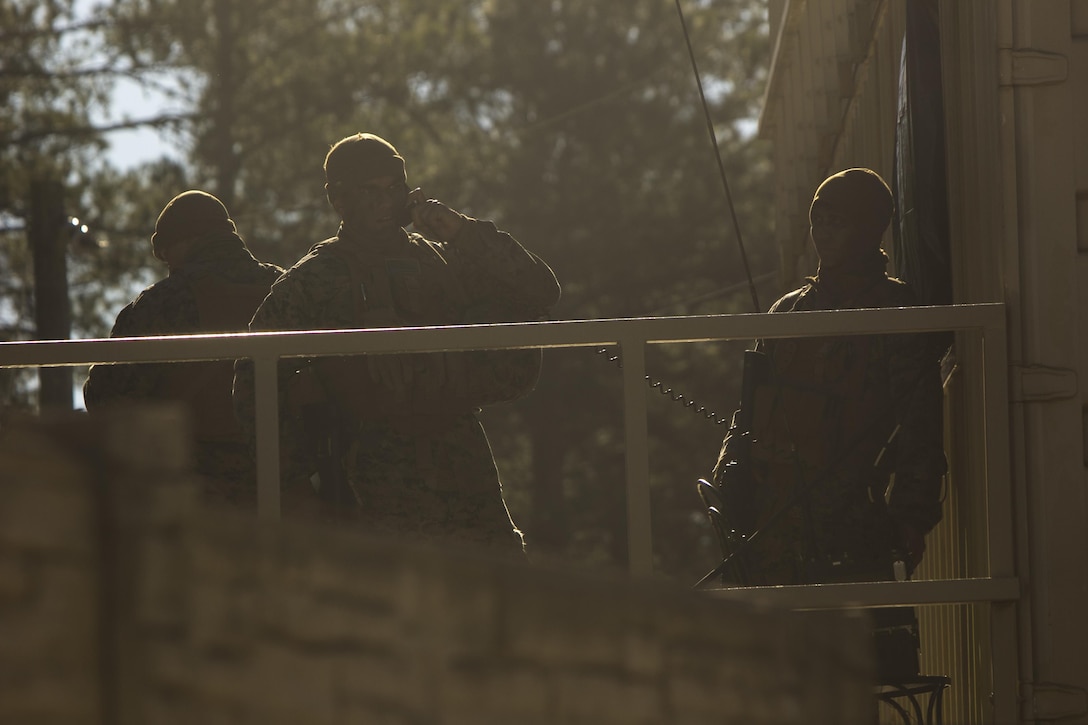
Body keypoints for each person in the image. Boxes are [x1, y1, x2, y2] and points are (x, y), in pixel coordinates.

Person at [236, 132, 560, 554]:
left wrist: (459, 231)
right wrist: (296, 482)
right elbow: (251, 376)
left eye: (394, 189)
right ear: (338, 199)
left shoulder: (438, 257)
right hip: (369, 476)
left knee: (498, 597)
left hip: (461, 464)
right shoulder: (315, 278)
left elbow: (538, 290)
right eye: (369, 192)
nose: (383, 203)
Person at [707, 168, 947, 587]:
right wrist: (729, 480)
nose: (824, 233)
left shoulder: (894, 312)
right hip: (769, 526)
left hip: (851, 524)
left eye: (839, 222)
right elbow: (749, 409)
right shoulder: (788, 311)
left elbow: (919, 425)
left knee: (863, 648)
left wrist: (912, 518)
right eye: (819, 220)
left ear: (870, 227)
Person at [84, 190, 284, 508]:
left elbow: (107, 397)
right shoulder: (286, 289)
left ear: (183, 242)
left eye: (165, 254)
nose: (167, 265)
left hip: (198, 495)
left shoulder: (160, 303)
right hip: (291, 491)